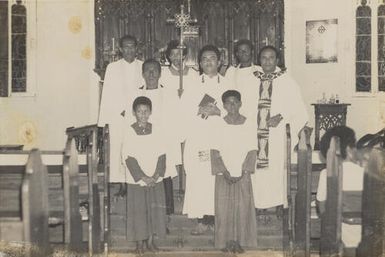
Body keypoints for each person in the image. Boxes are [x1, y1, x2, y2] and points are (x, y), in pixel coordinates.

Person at [251, 45, 308, 217]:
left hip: (277, 135)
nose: (267, 61)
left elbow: (299, 110)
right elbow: (243, 106)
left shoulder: (287, 81)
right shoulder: (252, 80)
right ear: (259, 60)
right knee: (257, 170)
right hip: (255, 134)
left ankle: (279, 205)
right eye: (264, 58)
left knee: (276, 169)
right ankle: (258, 204)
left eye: (271, 58)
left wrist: (282, 117)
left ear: (277, 60)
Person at [182, 45, 230, 233]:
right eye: (204, 59)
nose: (208, 62)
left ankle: (219, 219)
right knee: (200, 176)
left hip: (220, 136)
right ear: (200, 63)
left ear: (219, 61)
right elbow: (182, 110)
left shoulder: (228, 84)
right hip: (199, 137)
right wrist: (198, 110)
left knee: (218, 176)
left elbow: (237, 110)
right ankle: (202, 220)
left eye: (212, 58)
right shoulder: (192, 84)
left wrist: (219, 111)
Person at [210, 90, 258, 253]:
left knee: (242, 207)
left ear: (240, 104)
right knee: (224, 208)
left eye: (235, 102)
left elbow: (253, 149)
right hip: (225, 174)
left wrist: (245, 171)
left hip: (243, 174)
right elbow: (215, 150)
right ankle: (226, 241)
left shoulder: (248, 123)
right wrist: (223, 171)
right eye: (228, 102)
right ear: (223, 105)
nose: (232, 105)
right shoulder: (218, 124)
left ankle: (239, 241)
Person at [120, 96, 167, 254]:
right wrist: (143, 177)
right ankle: (139, 244)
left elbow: (162, 153)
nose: (143, 114)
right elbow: (128, 156)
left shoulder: (158, 130)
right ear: (134, 113)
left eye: (146, 111)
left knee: (153, 210)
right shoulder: (129, 131)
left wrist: (155, 175)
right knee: (139, 211)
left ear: (150, 112)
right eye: (139, 111)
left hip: (154, 178)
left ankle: (151, 241)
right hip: (138, 180)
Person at [98, 35, 143, 183]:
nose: (129, 50)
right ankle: (118, 182)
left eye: (132, 46)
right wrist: (103, 122)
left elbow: (144, 92)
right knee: (117, 147)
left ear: (136, 48)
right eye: (126, 47)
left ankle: (133, 180)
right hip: (117, 116)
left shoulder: (143, 66)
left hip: (138, 115)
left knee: (135, 148)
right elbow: (107, 94)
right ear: (120, 49)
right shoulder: (113, 67)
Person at [316, 126, 364, 249]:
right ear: (349, 149)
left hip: (337, 240)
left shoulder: (325, 174)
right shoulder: (365, 173)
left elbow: (322, 210)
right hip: (365, 240)